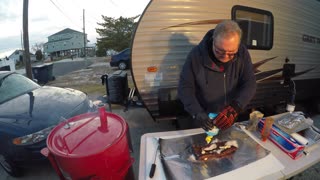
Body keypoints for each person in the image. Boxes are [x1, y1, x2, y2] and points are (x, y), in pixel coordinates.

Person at [178, 20, 256, 131]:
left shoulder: (242, 53)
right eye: (220, 51)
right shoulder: (196, 56)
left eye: (231, 53)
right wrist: (196, 112)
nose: (225, 57)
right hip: (205, 118)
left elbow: (250, 83)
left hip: (229, 116)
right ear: (213, 40)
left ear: (238, 46)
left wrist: (236, 106)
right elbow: (185, 87)